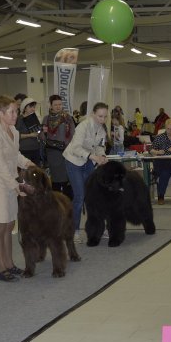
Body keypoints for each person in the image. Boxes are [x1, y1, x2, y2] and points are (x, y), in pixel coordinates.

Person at [0, 95, 34, 282]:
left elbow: (15, 155)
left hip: (10, 183)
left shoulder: (13, 131)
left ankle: (10, 264)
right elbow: (0, 165)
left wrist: (28, 163)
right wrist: (16, 186)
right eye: (12, 111)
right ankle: (1, 268)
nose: (16, 114)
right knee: (0, 227)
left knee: (10, 225)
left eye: (16, 111)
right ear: (1, 113)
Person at [63, 102, 108, 243]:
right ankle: (74, 231)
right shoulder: (83, 126)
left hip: (88, 161)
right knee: (80, 196)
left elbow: (100, 147)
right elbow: (76, 148)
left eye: (105, 116)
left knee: (94, 195)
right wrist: (93, 156)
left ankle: (99, 228)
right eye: (100, 116)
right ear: (93, 114)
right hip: (73, 161)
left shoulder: (102, 130)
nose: (102, 119)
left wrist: (102, 156)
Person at [42, 95, 75, 197]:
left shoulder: (67, 117)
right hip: (52, 153)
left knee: (67, 178)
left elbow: (73, 133)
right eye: (55, 104)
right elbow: (41, 136)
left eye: (60, 104)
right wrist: (43, 132)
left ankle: (67, 202)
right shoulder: (46, 118)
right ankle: (56, 202)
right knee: (56, 179)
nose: (58, 106)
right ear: (51, 105)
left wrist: (68, 146)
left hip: (66, 152)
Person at [16, 97, 42, 165]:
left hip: (35, 148)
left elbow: (38, 132)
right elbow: (16, 135)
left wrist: (41, 130)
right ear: (24, 108)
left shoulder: (34, 117)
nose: (33, 109)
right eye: (30, 107)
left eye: (34, 107)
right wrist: (30, 135)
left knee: (36, 170)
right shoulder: (19, 119)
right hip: (24, 150)